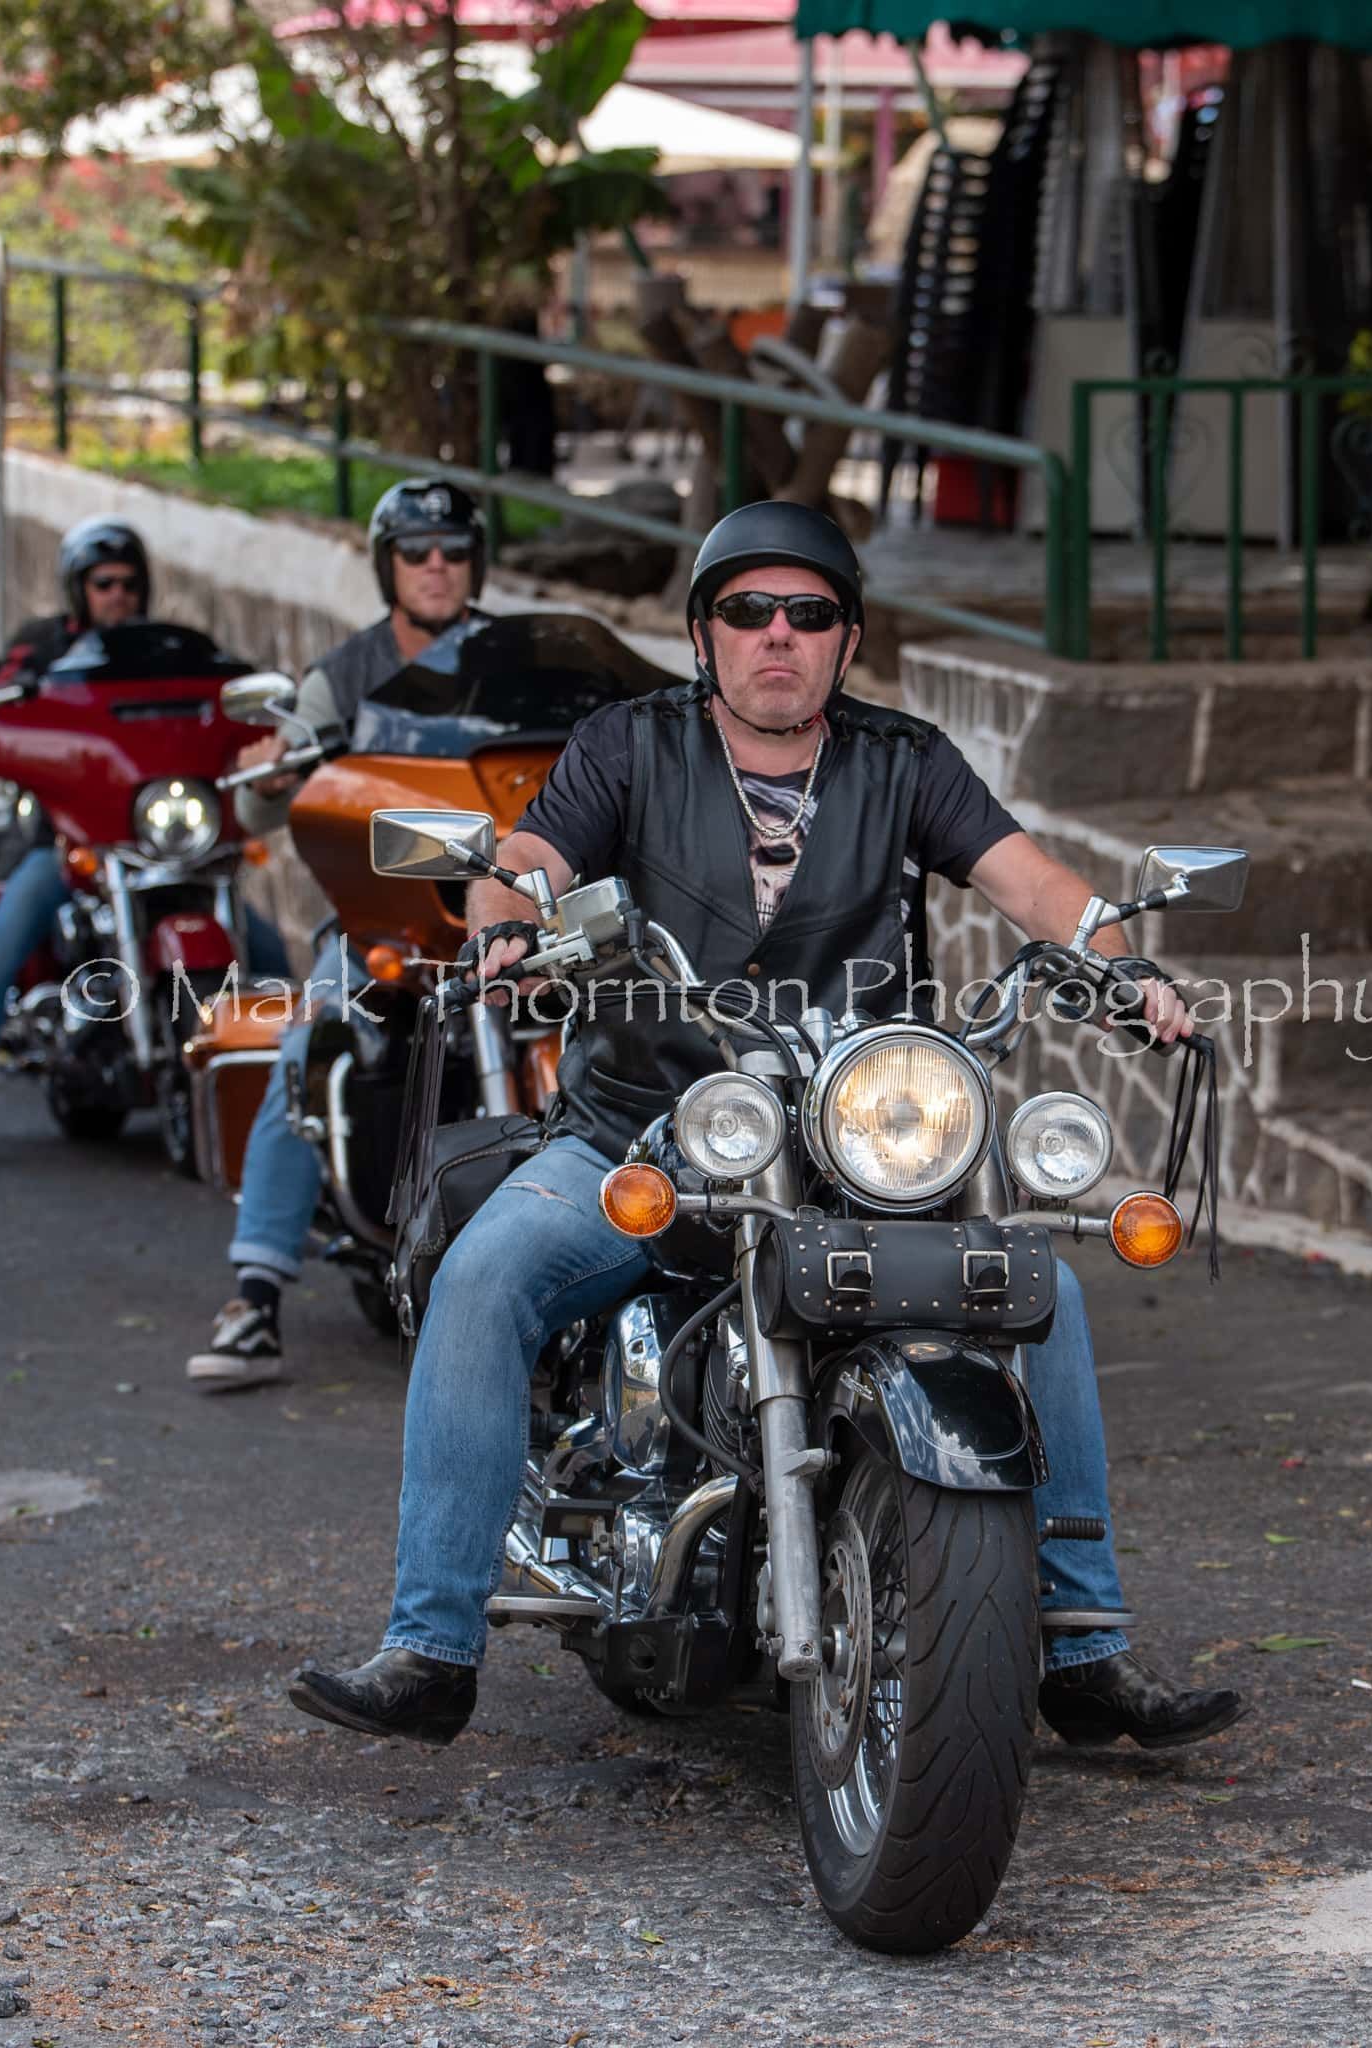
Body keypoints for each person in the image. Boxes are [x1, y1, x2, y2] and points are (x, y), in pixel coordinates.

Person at [286, 501, 1249, 1756]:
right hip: (639, 1131)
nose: (777, 635)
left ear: (847, 639)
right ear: (704, 634)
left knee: (1041, 1292)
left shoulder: (906, 760)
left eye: (809, 612)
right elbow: (527, 857)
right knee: (485, 1273)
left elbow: (1035, 882)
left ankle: (1081, 1644)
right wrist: (509, 919)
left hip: (854, 1151)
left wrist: (1120, 963)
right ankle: (431, 1643)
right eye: (748, 611)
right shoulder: (628, 743)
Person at [185, 479, 488, 1393]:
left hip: (505, 915)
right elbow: (260, 804)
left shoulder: (513, 661)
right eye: (416, 551)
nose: (436, 565)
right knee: (308, 1047)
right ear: (387, 566)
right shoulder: (345, 675)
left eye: (453, 550)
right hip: (386, 920)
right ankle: (255, 1298)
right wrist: (270, 774)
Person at [0, 519, 284, 1153]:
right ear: (77, 588)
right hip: (71, 841)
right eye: (103, 583)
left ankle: (295, 1091)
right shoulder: (44, 648)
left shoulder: (171, 652)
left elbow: (221, 700)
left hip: (167, 837)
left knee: (271, 956)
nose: (118, 595)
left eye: (129, 584)